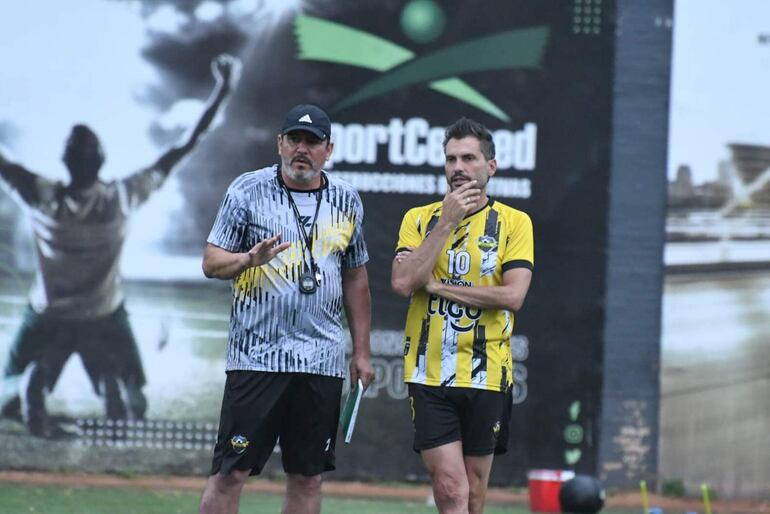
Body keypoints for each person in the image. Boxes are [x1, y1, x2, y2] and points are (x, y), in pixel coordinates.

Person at [0, 54, 238, 437]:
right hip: (103, 314)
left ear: (64, 160)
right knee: (134, 393)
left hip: (48, 312)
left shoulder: (43, 198)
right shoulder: (122, 198)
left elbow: (3, 162)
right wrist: (223, 89)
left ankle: (37, 378)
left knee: (6, 390)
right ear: (102, 160)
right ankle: (114, 379)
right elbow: (185, 145)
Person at [198, 104, 374, 514]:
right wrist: (246, 260)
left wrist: (361, 351)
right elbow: (210, 262)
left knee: (308, 476)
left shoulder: (347, 199)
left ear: (328, 150)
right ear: (280, 143)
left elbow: (356, 277)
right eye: (294, 139)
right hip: (258, 356)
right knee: (229, 473)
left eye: (312, 142)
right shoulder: (246, 190)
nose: (302, 149)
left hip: (322, 361)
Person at [391, 117, 534, 514]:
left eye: (469, 158)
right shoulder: (418, 219)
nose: (458, 167)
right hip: (428, 372)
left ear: (491, 166)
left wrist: (438, 287)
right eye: (451, 159)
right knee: (451, 487)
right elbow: (403, 282)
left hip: (488, 372)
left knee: (473, 491)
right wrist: (448, 220)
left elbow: (513, 294)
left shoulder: (514, 223)